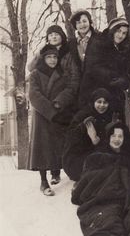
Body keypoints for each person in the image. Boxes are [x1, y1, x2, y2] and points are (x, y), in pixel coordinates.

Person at [71, 121, 130, 236]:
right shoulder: (98, 156)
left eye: (120, 136)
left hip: (118, 196)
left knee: (116, 213)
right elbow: (88, 177)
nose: (117, 139)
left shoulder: (128, 158)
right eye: (113, 136)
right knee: (99, 212)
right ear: (108, 138)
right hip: (98, 196)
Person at [28, 45, 75, 196]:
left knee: (57, 145)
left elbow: (69, 90)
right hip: (42, 115)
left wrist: (59, 102)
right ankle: (43, 181)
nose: (53, 60)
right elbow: (34, 95)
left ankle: (56, 172)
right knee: (42, 148)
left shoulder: (62, 73)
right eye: (49, 57)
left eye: (55, 57)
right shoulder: (35, 73)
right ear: (43, 58)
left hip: (58, 113)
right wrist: (50, 110)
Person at [77, 17, 130, 113]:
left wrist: (124, 80)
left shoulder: (124, 48)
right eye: (118, 31)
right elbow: (93, 67)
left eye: (124, 33)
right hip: (95, 91)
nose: (121, 35)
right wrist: (114, 77)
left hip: (114, 92)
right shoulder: (99, 42)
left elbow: (126, 70)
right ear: (112, 30)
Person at [62, 88, 116, 182]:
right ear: (93, 102)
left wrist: (96, 140)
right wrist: (83, 128)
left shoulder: (107, 116)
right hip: (75, 160)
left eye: (105, 102)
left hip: (93, 153)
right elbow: (70, 139)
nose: (102, 105)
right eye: (99, 102)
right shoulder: (83, 115)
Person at [27, 24, 79, 109]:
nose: (54, 37)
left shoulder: (69, 54)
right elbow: (31, 68)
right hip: (45, 96)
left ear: (62, 36)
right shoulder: (43, 53)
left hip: (64, 96)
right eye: (51, 35)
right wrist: (39, 54)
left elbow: (75, 78)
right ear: (48, 39)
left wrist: (63, 98)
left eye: (57, 34)